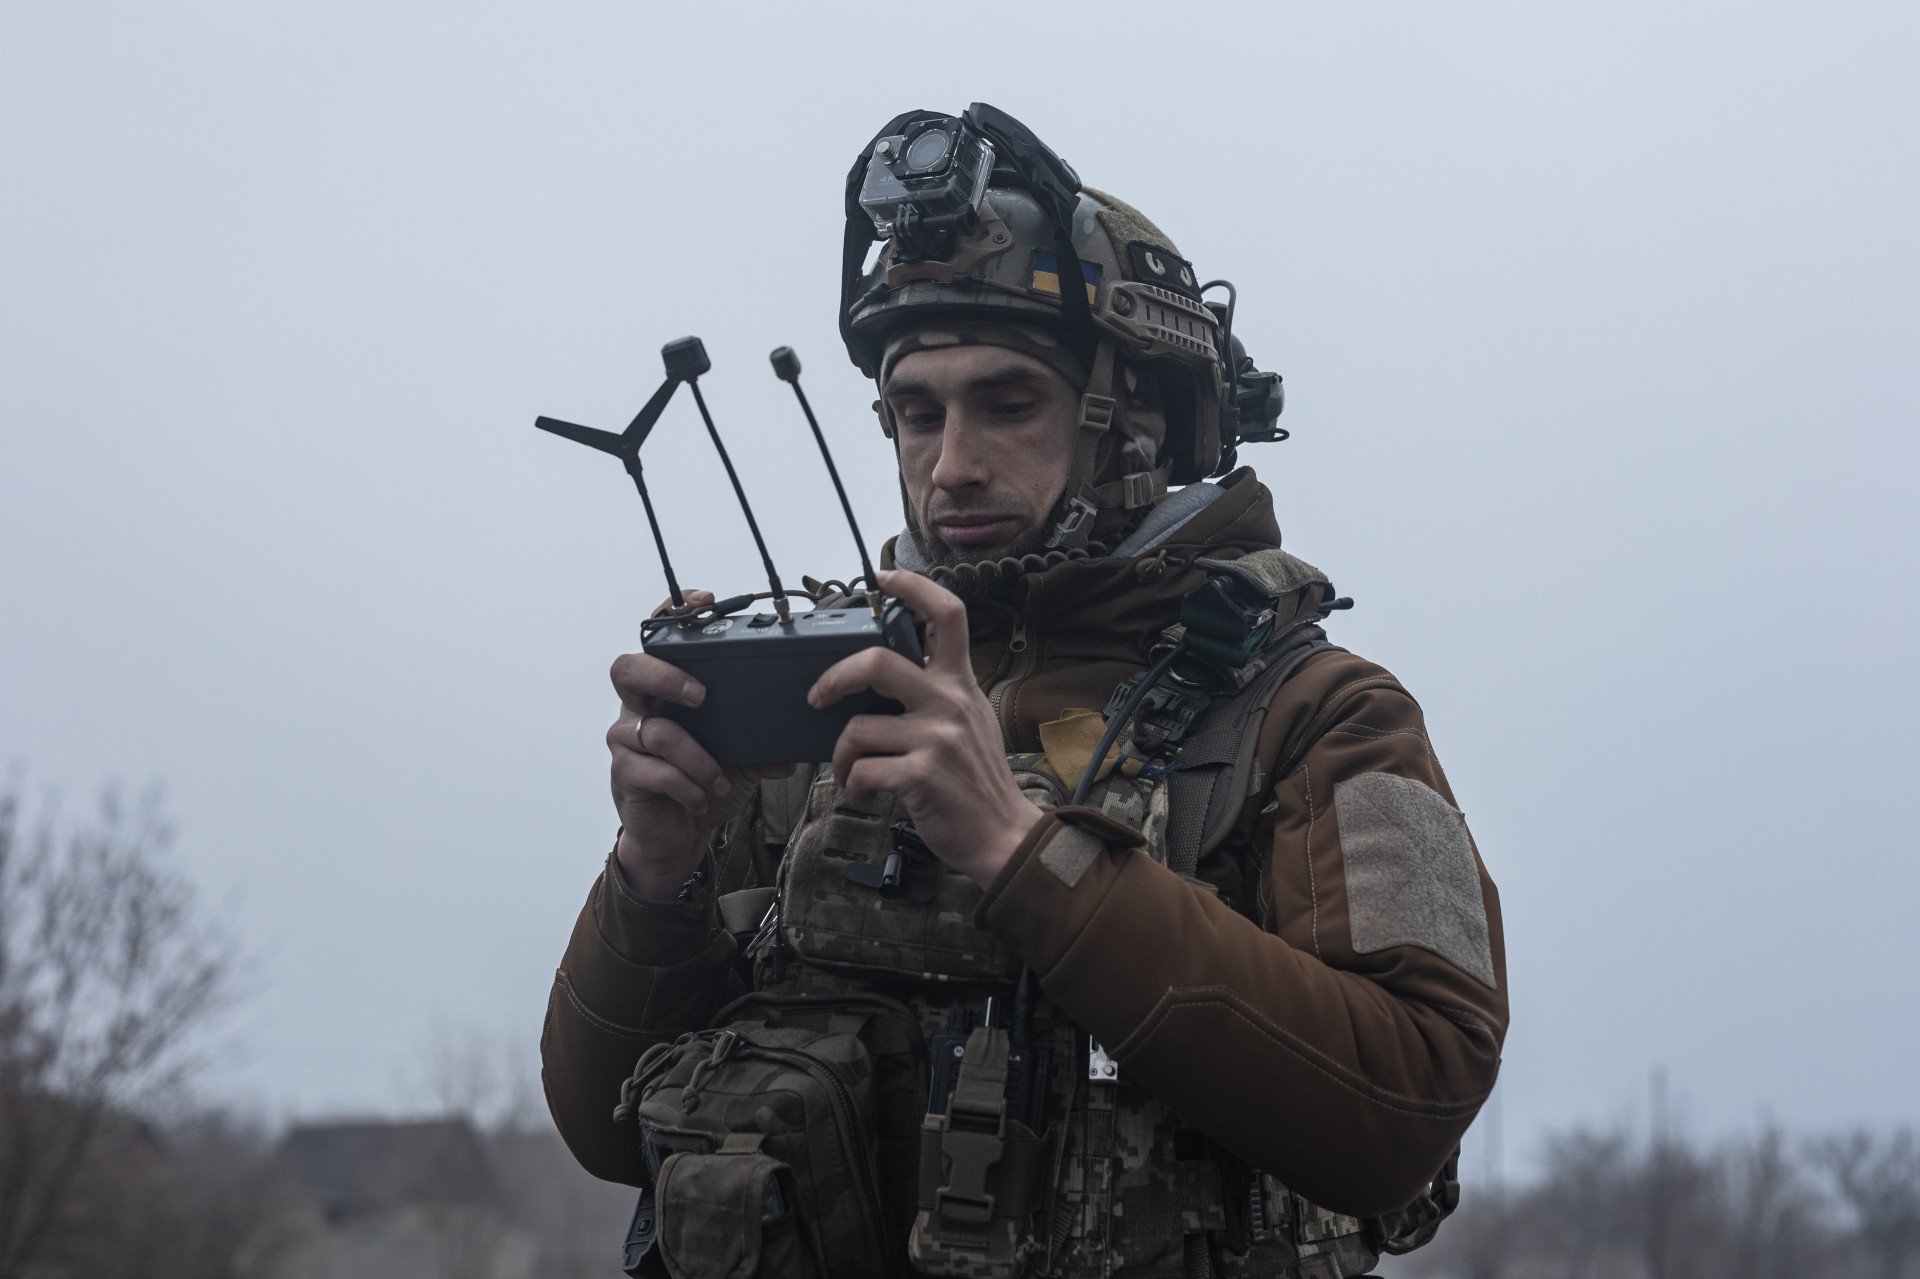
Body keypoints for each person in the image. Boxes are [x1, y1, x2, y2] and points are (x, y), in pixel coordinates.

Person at [541, 104, 1508, 1279]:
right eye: (916, 411)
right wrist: (657, 872)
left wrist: (1020, 849)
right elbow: (605, 1130)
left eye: (1008, 405)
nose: (951, 463)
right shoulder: (829, 696)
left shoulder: (1318, 716)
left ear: (1132, 421)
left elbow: (1407, 1110)